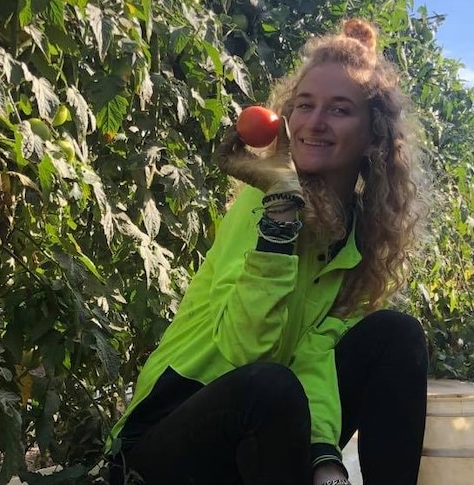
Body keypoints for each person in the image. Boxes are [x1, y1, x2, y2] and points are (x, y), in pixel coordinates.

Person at [106, 18, 431, 485]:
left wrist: (326, 461)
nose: (315, 123)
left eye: (339, 110)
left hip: (263, 436)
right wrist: (280, 219)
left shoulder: (354, 237)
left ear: (374, 136)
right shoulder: (267, 200)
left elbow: (313, 358)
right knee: (269, 383)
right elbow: (245, 352)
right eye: (304, 106)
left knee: (397, 336)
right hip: (166, 440)